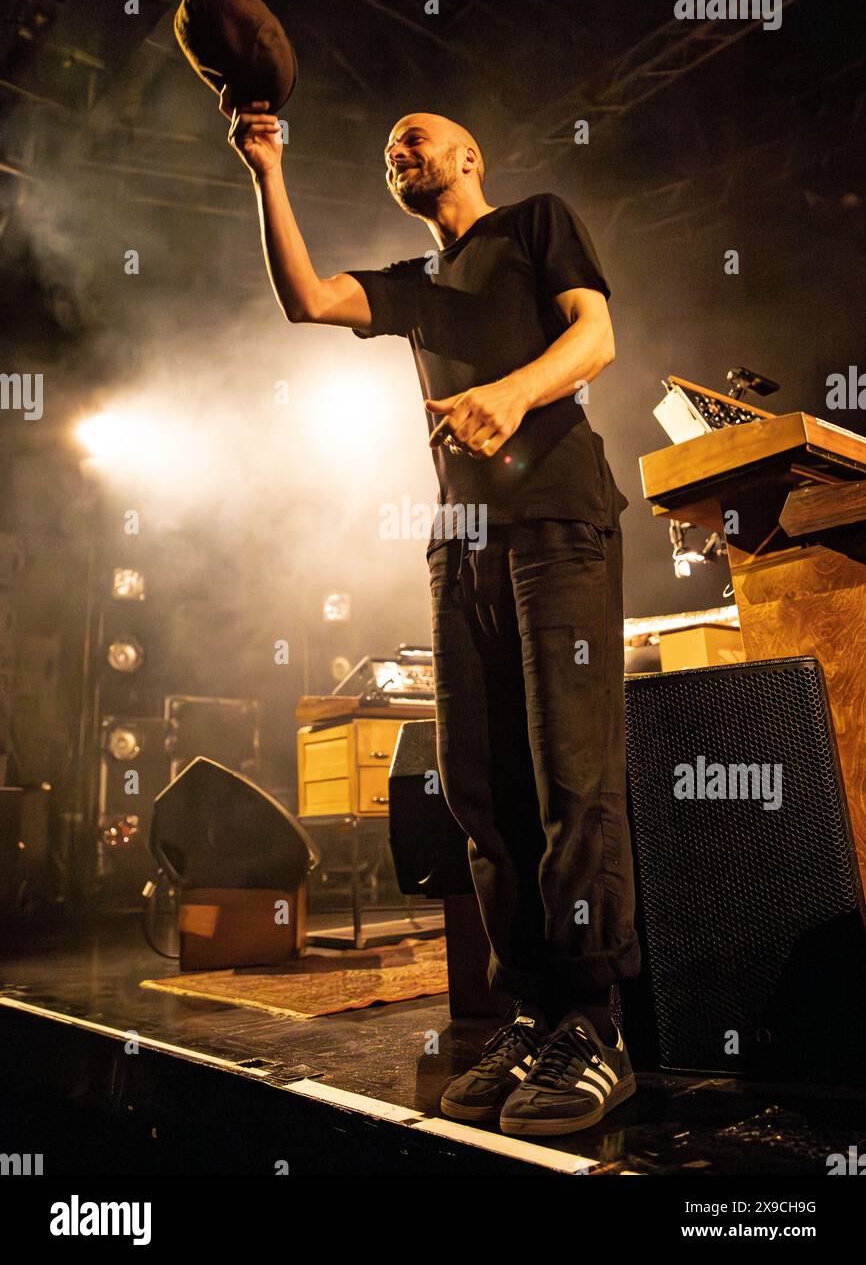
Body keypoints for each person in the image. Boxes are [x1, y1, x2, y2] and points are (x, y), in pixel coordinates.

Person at [226, 100, 641, 1137]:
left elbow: (596, 334)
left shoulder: (536, 222)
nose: (396, 151)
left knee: (569, 776)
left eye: (415, 136)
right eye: (384, 150)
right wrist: (264, 169)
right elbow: (308, 299)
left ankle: (594, 1024)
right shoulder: (411, 288)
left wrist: (510, 393)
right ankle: (532, 1009)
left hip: (555, 520)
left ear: (467, 154)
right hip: (457, 543)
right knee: (480, 789)